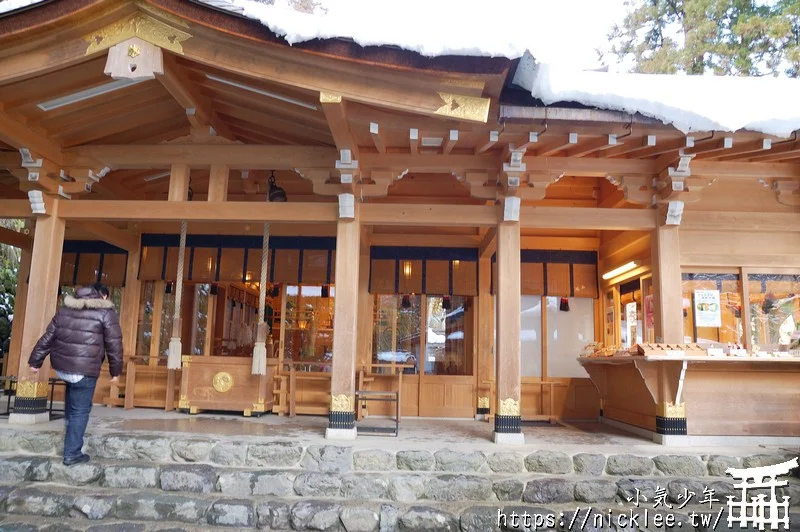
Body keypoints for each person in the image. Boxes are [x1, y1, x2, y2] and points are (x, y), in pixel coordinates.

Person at [28, 283, 122, 466]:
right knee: (80, 410)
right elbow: (114, 344)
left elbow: (48, 336)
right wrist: (115, 371)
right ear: (102, 296)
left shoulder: (65, 310)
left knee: (72, 402)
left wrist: (35, 361)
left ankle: (70, 431)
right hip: (84, 369)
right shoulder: (106, 313)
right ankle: (72, 453)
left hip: (63, 367)